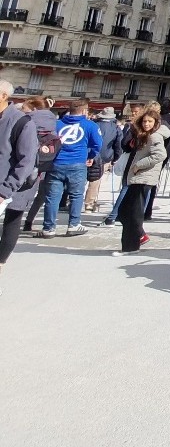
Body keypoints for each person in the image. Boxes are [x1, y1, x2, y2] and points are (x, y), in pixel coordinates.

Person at [37, 97, 102, 238]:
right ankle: (73, 225)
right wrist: (90, 155)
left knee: (52, 197)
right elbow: (97, 145)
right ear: (84, 111)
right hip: (77, 163)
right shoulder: (90, 125)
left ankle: (48, 228)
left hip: (56, 163)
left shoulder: (57, 124)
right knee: (76, 195)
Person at [0, 80, 39, 291]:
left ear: (4, 96)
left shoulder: (22, 123)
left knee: (12, 222)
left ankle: (1, 262)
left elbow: (26, 160)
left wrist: (5, 190)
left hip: (13, 186)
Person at [113, 106, 167, 256]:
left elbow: (160, 154)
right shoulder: (145, 135)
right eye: (144, 121)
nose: (146, 124)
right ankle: (138, 237)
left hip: (144, 177)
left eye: (150, 121)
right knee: (125, 211)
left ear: (155, 122)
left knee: (132, 212)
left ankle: (131, 246)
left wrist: (139, 165)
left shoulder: (154, 136)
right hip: (137, 178)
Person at [19, 96, 59, 233]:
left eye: (24, 108)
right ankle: (28, 221)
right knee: (40, 195)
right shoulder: (53, 122)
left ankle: (13, 220)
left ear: (34, 109)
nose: (22, 110)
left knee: (16, 194)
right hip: (46, 163)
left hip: (24, 162)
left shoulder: (26, 121)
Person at [84, 106, 120, 216]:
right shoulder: (115, 128)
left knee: (83, 178)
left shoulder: (93, 124)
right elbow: (118, 145)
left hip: (88, 154)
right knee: (96, 179)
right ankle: (89, 203)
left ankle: (75, 200)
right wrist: (116, 158)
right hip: (105, 156)